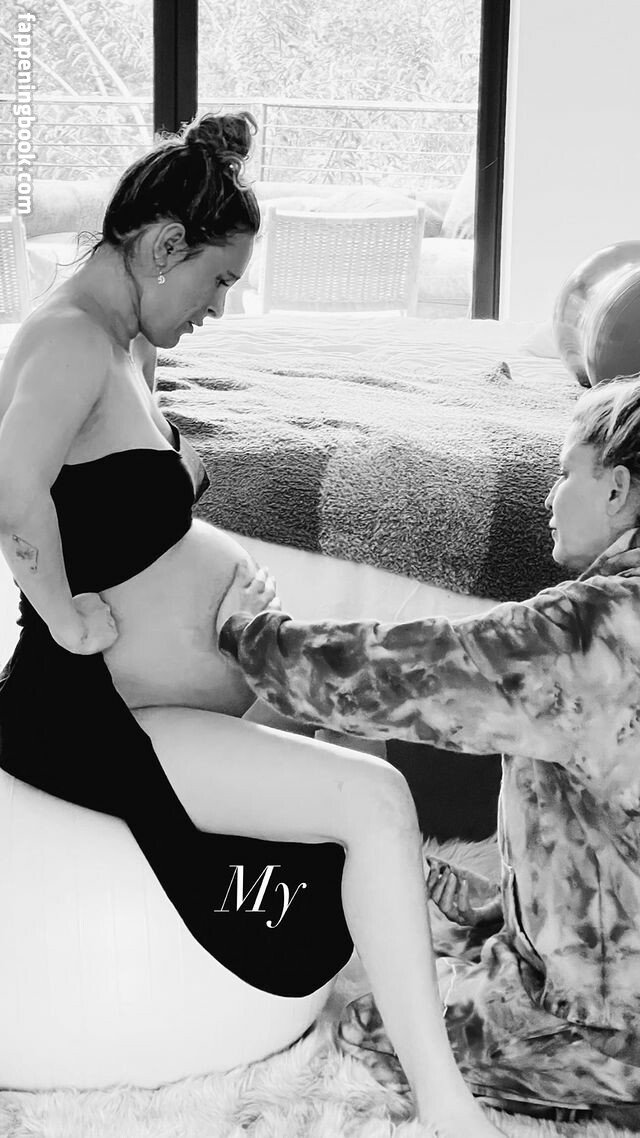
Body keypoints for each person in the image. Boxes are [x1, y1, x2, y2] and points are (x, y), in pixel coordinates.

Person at [0, 112, 504, 1138]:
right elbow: (11, 487)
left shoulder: (120, 342)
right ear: (162, 245)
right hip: (95, 717)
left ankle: (407, 900)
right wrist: (63, 615)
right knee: (376, 798)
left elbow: (103, 502)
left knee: (344, 708)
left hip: (158, 694)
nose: (220, 307)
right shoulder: (67, 338)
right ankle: (447, 1106)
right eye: (217, 279)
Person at [215, 372, 640, 1130]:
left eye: (564, 471)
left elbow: (413, 670)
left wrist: (253, 638)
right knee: (438, 899)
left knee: (372, 1025)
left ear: (616, 490)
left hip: (610, 1021)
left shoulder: (588, 631)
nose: (548, 495)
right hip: (608, 936)